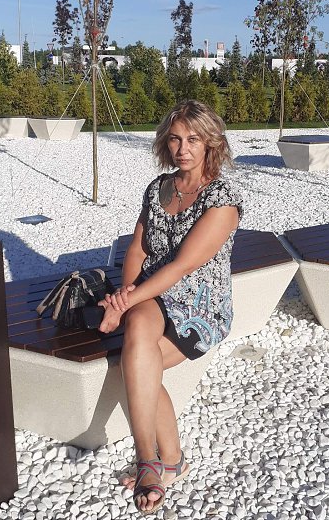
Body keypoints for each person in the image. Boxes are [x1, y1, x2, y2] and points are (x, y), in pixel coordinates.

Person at [98, 100, 243, 515]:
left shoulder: (222, 200)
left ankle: (157, 462)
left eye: (193, 139)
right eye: (176, 139)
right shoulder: (158, 188)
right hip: (152, 295)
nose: (183, 149)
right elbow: (138, 248)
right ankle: (159, 459)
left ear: (211, 143)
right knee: (138, 342)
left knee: (136, 363)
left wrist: (123, 302)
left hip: (200, 306)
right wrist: (125, 297)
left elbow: (182, 267)